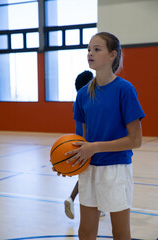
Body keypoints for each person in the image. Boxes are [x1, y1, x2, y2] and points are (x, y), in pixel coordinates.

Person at [54, 32, 145, 240]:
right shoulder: (83, 94)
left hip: (116, 169)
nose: (90, 53)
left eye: (97, 49)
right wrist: (65, 161)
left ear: (112, 55)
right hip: (89, 169)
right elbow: (81, 141)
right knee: (85, 232)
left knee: (120, 233)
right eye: (88, 49)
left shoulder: (125, 90)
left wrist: (94, 148)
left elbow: (135, 140)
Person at [64, 71, 106, 219]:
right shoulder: (90, 102)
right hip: (88, 143)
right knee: (95, 175)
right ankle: (97, 206)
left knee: (86, 175)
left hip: (77, 141)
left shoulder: (78, 101)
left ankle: (71, 198)